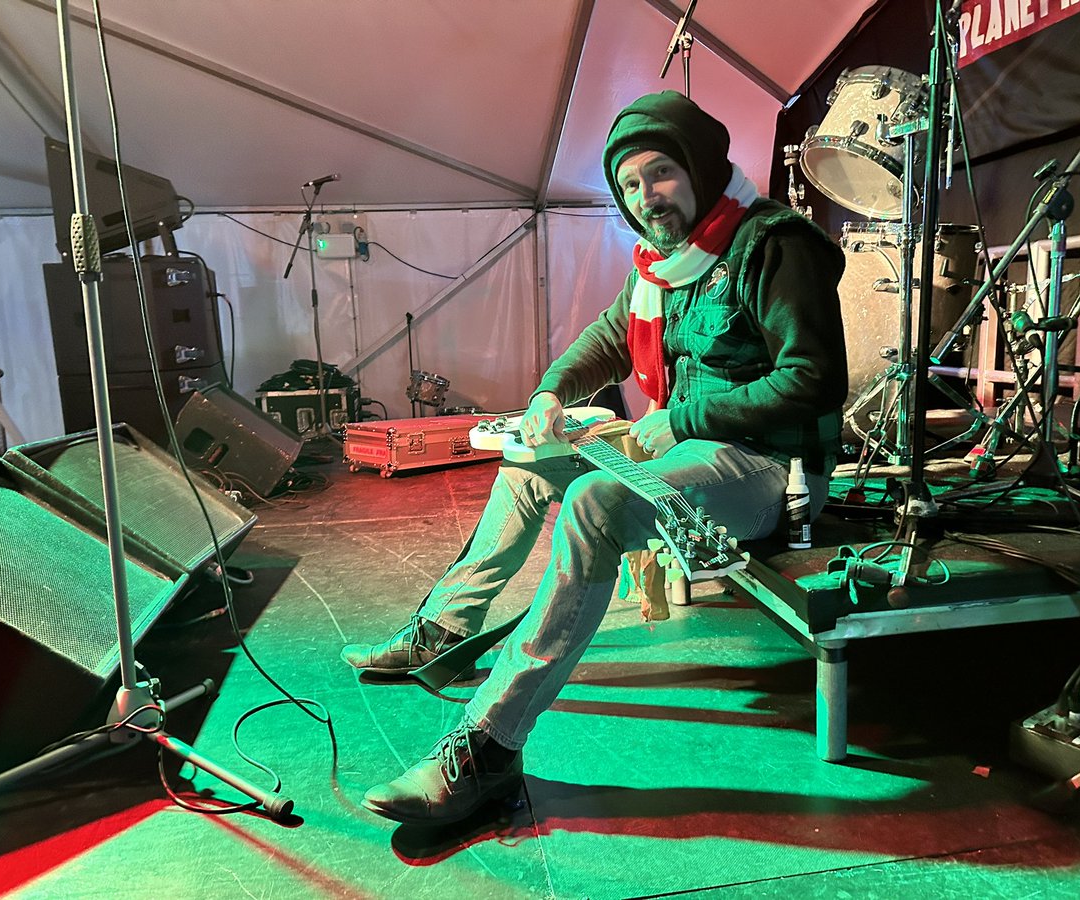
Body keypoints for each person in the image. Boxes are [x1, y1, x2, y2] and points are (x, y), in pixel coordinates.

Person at [343, 90, 848, 825]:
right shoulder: (666, 263)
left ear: (702, 167)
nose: (647, 198)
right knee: (527, 463)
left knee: (594, 505)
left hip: (763, 468)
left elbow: (813, 378)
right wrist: (549, 394)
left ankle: (488, 746)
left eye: (661, 174)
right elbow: (609, 339)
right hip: (680, 446)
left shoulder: (773, 243)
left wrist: (682, 417)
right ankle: (446, 628)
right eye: (632, 185)